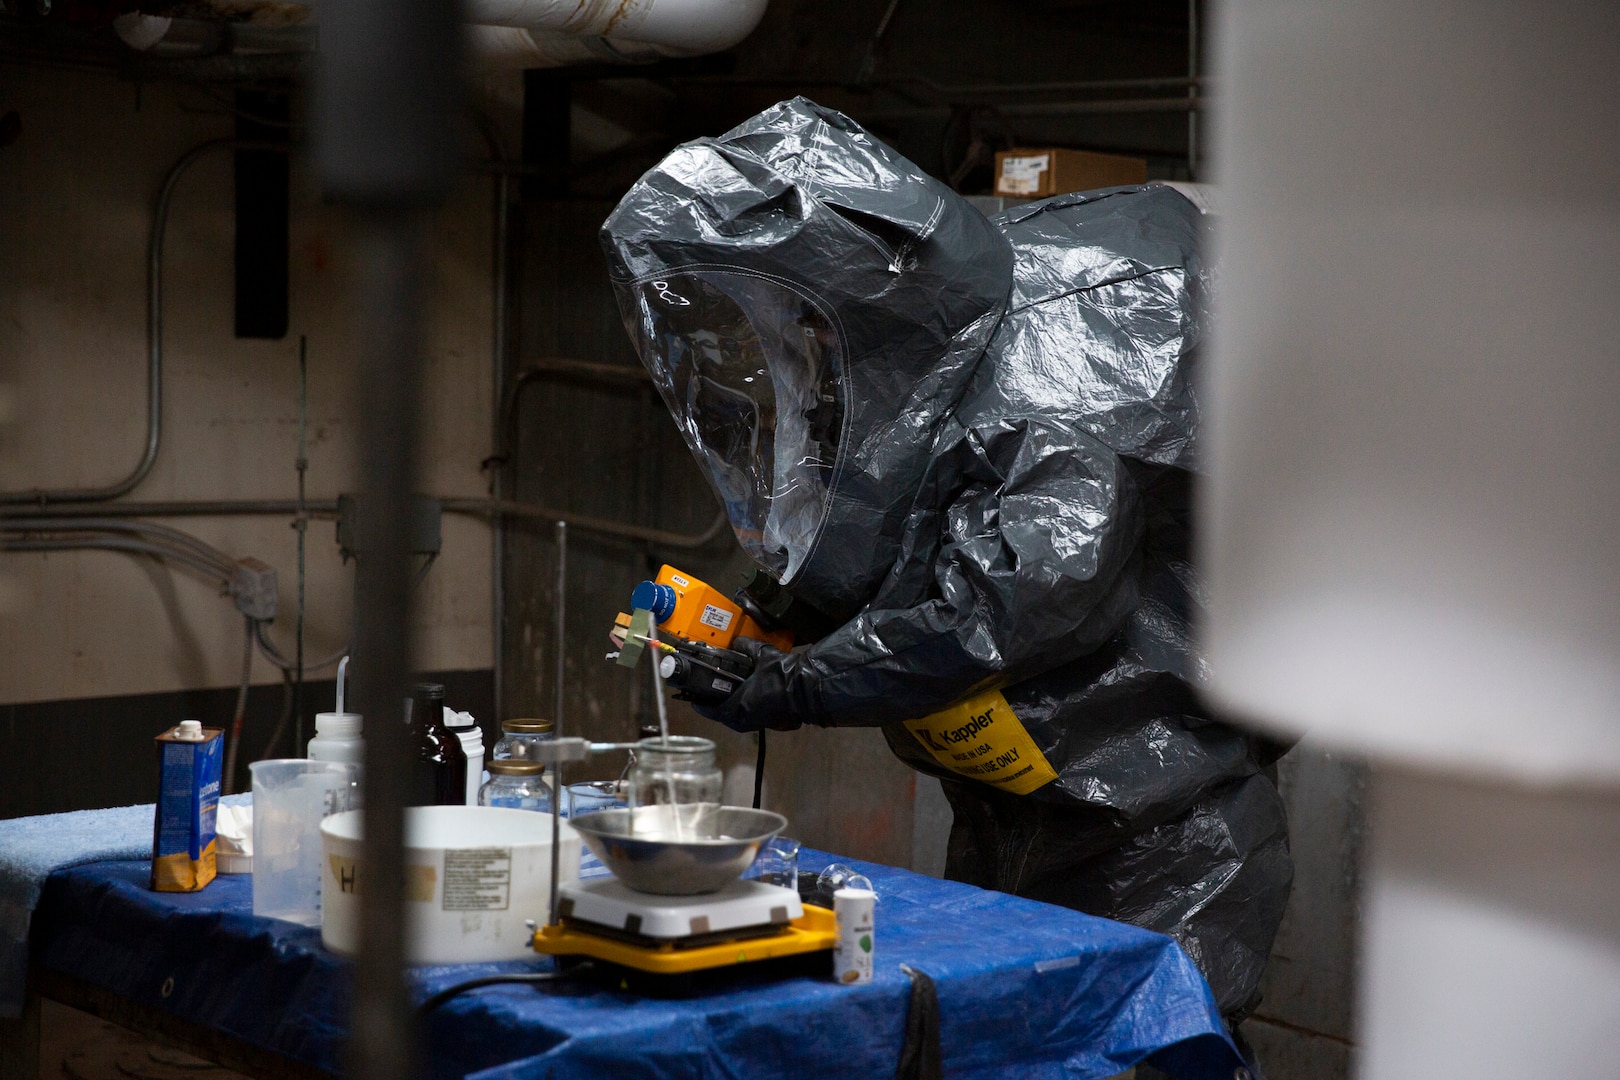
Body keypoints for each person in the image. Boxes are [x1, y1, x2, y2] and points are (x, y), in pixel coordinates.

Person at [601, 98, 1292, 1026]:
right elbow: (888, 526)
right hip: (1018, 795)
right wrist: (779, 630)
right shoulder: (912, 361)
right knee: (1001, 1028)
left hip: (1162, 828)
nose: (793, 351)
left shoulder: (1055, 377)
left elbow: (1006, 606)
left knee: (1149, 1039)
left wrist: (799, 684)